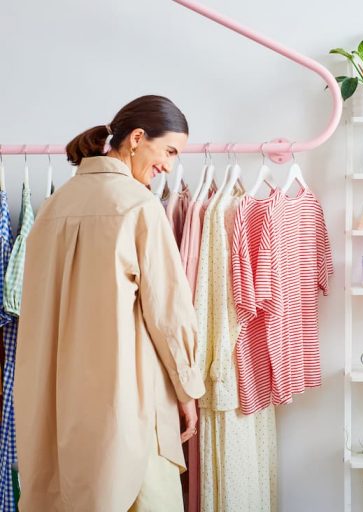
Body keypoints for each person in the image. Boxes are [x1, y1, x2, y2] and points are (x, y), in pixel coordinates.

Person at [14, 95, 204, 512]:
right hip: (128, 405)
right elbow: (169, 314)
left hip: (55, 406)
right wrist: (188, 392)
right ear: (137, 138)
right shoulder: (140, 208)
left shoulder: (52, 209)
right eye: (169, 150)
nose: (169, 166)